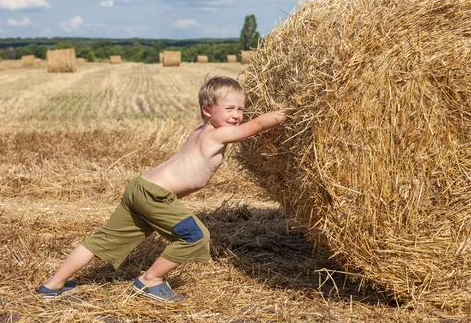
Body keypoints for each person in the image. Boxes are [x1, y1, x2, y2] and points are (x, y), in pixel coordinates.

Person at [37, 76, 288, 302]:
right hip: (155, 196)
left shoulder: (200, 131)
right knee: (196, 236)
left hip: (139, 188)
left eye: (241, 109)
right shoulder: (217, 134)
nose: (236, 115)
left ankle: (53, 285)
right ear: (207, 111)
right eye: (230, 109)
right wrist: (288, 113)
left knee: (101, 240)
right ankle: (150, 280)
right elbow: (254, 127)